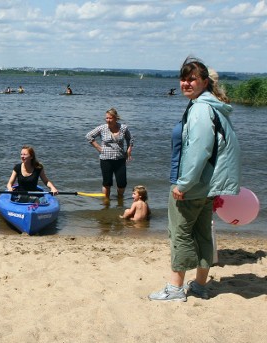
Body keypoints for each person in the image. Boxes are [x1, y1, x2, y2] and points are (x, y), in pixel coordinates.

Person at [148, 56, 241, 302]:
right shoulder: (210, 104)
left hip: (192, 185)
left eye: (192, 79)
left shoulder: (200, 108)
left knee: (179, 233)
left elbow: (199, 151)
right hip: (206, 185)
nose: (186, 83)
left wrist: (184, 184)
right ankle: (199, 285)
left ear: (204, 82)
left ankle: (176, 288)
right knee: (201, 234)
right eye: (183, 79)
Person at [85, 108, 134, 202]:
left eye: (110, 118)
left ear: (116, 118)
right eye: (106, 118)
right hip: (105, 159)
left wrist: (129, 150)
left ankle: (120, 199)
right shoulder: (102, 128)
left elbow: (130, 139)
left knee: (122, 183)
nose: (108, 120)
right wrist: (98, 147)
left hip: (120, 159)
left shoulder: (123, 128)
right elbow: (89, 136)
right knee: (107, 183)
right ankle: (106, 202)